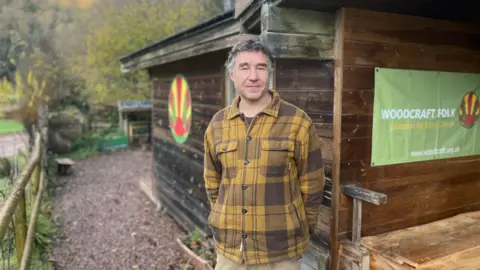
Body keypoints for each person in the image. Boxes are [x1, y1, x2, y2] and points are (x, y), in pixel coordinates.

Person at [203, 39, 326, 270]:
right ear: (232, 74)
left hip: (281, 254)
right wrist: (225, 217)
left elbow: (313, 186)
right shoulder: (217, 124)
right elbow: (212, 182)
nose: (253, 76)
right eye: (244, 67)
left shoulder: (297, 122)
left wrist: (299, 228)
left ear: (269, 73)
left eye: (261, 67)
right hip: (231, 252)